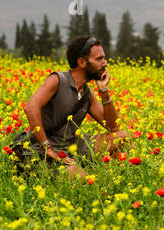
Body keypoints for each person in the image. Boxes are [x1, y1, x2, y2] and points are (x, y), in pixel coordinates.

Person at [10, 35, 129, 178]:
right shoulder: (57, 80)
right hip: (39, 150)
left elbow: (113, 128)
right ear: (82, 62)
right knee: (83, 179)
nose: (105, 63)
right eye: (99, 59)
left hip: (72, 147)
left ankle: (110, 178)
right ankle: (81, 174)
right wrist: (47, 147)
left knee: (122, 137)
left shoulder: (87, 93)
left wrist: (104, 91)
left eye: (103, 58)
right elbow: (30, 107)